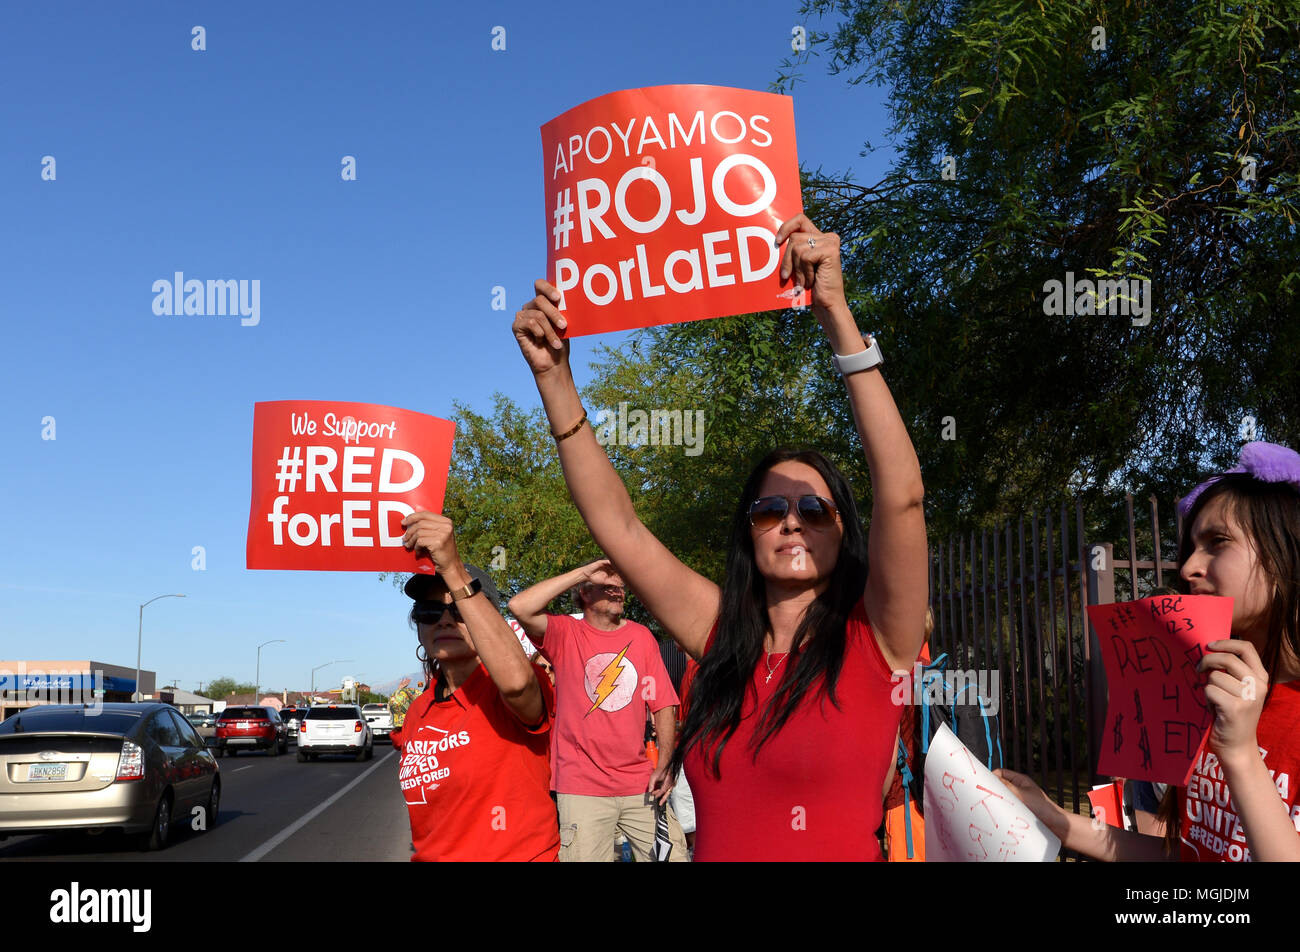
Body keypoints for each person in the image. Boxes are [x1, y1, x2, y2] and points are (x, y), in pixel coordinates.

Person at [511, 214, 929, 860]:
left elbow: (902, 495)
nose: (792, 520)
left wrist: (836, 315)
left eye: (815, 508)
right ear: (750, 533)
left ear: (844, 528)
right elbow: (618, 528)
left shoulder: (876, 639)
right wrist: (554, 381)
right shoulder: (720, 635)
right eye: (771, 509)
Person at [998, 441, 1300, 861]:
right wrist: (1053, 818)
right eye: (1192, 546)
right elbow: (1182, 853)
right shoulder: (1203, 689)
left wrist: (1240, 753)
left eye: (1217, 541)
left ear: (1286, 553)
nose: (1189, 567)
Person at [395, 509, 559, 862]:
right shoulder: (418, 711)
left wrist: (453, 569)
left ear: (487, 619)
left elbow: (517, 684)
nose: (443, 620)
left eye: (458, 611)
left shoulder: (506, 691)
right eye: (429, 612)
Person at [509, 559, 690, 861]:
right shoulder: (565, 633)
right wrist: (584, 571)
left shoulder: (641, 636)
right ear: (585, 593)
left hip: (640, 783)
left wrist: (667, 764)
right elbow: (520, 606)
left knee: (673, 857)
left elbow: (663, 704)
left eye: (620, 588)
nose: (618, 591)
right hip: (582, 788)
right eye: (608, 587)